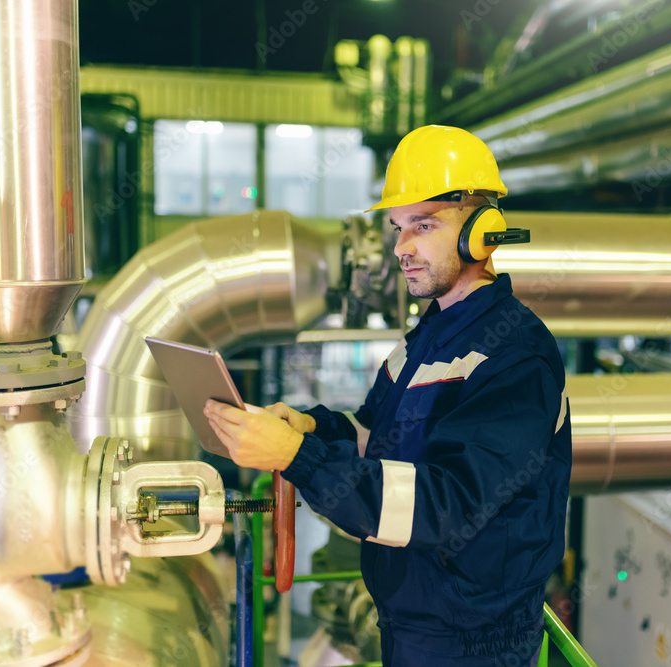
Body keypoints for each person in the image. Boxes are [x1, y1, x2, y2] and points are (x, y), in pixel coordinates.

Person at [205, 124, 571, 666]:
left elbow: (443, 506)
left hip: (474, 646)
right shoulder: (429, 336)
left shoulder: (516, 357)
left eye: (423, 225)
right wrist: (310, 429)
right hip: (413, 627)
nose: (400, 248)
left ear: (483, 232)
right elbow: (377, 435)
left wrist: (295, 458)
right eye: (399, 227)